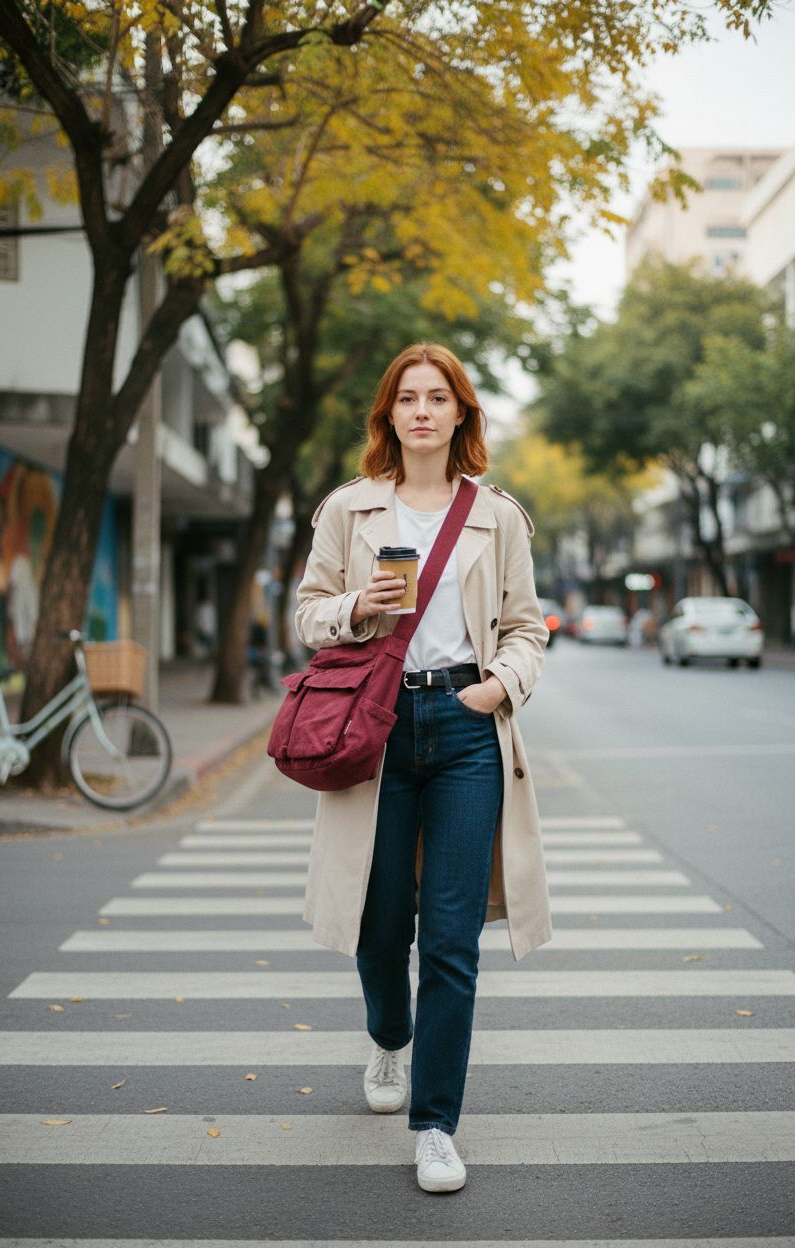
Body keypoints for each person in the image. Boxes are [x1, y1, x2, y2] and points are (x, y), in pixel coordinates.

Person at [294, 343, 551, 1192]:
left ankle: (436, 1123)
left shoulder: (497, 515)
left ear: (461, 415)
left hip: (466, 730)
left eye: (439, 398)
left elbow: (527, 628)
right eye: (407, 398)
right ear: (389, 415)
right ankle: (388, 1038)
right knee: (380, 927)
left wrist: (496, 690)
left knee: (450, 939)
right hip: (376, 724)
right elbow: (306, 615)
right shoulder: (350, 510)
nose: (422, 412)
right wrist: (352, 608)